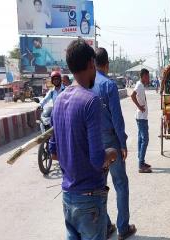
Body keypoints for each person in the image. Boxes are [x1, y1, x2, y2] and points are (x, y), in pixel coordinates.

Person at [49, 38, 117, 240]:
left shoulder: (59, 100)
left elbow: (54, 153)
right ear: (90, 64)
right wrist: (112, 153)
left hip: (68, 197)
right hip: (89, 200)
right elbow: (98, 160)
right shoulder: (91, 101)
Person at [91, 47, 136, 239]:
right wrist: (123, 143)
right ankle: (123, 227)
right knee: (120, 183)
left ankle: (106, 224)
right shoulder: (108, 85)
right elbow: (117, 118)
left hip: (93, 140)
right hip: (110, 139)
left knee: (99, 185)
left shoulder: (87, 84)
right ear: (107, 65)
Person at [131, 68, 152, 173]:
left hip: (141, 117)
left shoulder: (141, 85)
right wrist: (139, 107)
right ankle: (141, 164)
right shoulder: (139, 85)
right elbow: (132, 95)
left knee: (140, 139)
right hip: (141, 117)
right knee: (145, 140)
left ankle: (141, 161)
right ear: (143, 76)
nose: (148, 78)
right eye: (147, 76)